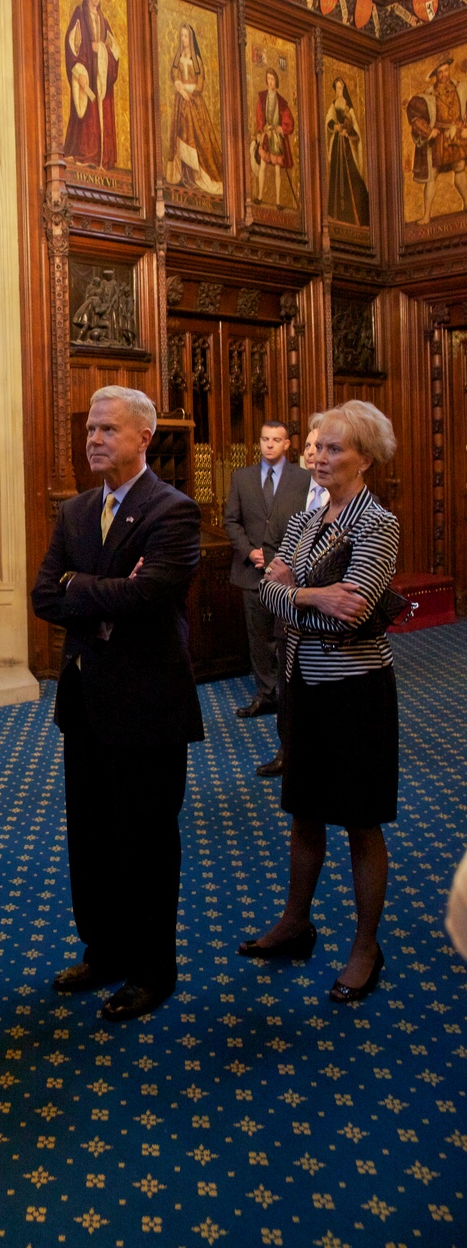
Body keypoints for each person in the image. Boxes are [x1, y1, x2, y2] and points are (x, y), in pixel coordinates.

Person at [32, 386, 204, 1022]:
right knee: (93, 838)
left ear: (143, 439)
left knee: (147, 845)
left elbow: (150, 597)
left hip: (148, 708)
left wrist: (83, 589)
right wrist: (96, 591)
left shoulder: (173, 511)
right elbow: (45, 597)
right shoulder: (75, 511)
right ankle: (102, 950)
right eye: (90, 430)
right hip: (85, 702)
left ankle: (153, 971)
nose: (94, 439)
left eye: (108, 430)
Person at [239, 401, 400, 1004]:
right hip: (301, 684)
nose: (320, 457)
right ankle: (296, 922)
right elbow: (265, 593)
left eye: (334, 448)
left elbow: (353, 609)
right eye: (318, 446)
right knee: (304, 812)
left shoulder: (377, 523)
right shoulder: (308, 521)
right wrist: (314, 596)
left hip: (356, 690)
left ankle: (365, 945)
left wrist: (298, 595)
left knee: (361, 821)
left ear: (365, 458)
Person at [256, 417, 328, 779]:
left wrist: (294, 585)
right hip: (290, 622)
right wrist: (298, 589)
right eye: (313, 447)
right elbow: (272, 568)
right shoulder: (294, 494)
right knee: (289, 692)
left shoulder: (356, 507)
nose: (316, 454)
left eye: (326, 447)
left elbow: (345, 595)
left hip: (331, 637)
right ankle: (288, 751)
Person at [224, 421, 310, 720]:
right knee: (259, 638)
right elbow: (231, 521)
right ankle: (266, 694)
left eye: (276, 439)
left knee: (287, 636)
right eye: (265, 439)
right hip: (252, 572)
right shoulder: (241, 478)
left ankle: (289, 695)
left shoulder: (305, 478)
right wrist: (250, 551)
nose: (269, 444)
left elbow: (311, 520)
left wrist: (285, 557)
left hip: (290, 572)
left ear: (287, 444)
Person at [63, 0, 120, 170]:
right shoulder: (80, 15)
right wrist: (79, 68)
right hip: (87, 74)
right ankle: (86, 155)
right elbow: (72, 43)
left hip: (102, 76)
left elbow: (115, 50)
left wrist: (102, 50)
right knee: (87, 118)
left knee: (101, 113)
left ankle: (103, 158)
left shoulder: (103, 20)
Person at [406, 57, 467, 225]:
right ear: (435, 75)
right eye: (440, 72)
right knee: (432, 174)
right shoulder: (428, 95)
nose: (443, 75)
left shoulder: (460, 88)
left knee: (459, 167)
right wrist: (428, 131)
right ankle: (427, 215)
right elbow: (416, 116)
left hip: (456, 133)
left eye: (445, 71)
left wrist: (464, 128)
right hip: (439, 136)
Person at [166, 22, 223, 198]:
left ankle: (196, 175)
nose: (183, 40)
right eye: (181, 36)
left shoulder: (196, 60)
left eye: (186, 36)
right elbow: (174, 74)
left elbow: (200, 83)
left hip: (194, 103)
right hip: (181, 103)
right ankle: (184, 174)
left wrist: (188, 90)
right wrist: (179, 88)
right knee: (181, 133)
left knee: (196, 136)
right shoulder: (178, 57)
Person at [326, 76, 370, 227]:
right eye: (337, 88)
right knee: (336, 177)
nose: (339, 90)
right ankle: (336, 214)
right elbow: (329, 121)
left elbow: (355, 129)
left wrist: (347, 131)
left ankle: (358, 216)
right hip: (337, 145)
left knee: (353, 177)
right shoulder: (333, 105)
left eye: (341, 88)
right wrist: (335, 127)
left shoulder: (348, 107)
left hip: (347, 146)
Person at [252, 69, 295, 208]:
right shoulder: (263, 98)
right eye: (268, 79)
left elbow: (289, 120)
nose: (270, 82)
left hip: (276, 137)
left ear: (276, 81)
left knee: (277, 168)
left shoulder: (281, 101)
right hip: (267, 133)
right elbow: (259, 116)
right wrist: (261, 130)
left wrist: (282, 128)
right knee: (263, 165)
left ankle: (277, 201)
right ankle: (259, 196)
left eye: (272, 79)